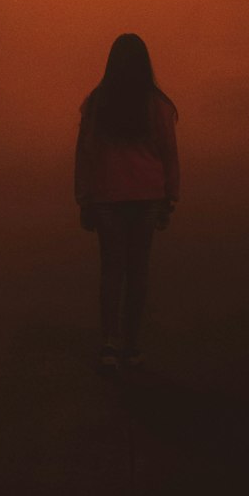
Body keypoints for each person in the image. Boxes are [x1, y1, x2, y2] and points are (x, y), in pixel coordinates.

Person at [75, 33, 179, 372]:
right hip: (148, 195)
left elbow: (85, 153)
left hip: (107, 195)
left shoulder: (96, 103)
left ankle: (109, 343)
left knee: (111, 270)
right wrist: (170, 197)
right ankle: (133, 345)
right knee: (138, 271)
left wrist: (83, 197)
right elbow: (168, 154)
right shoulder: (159, 106)